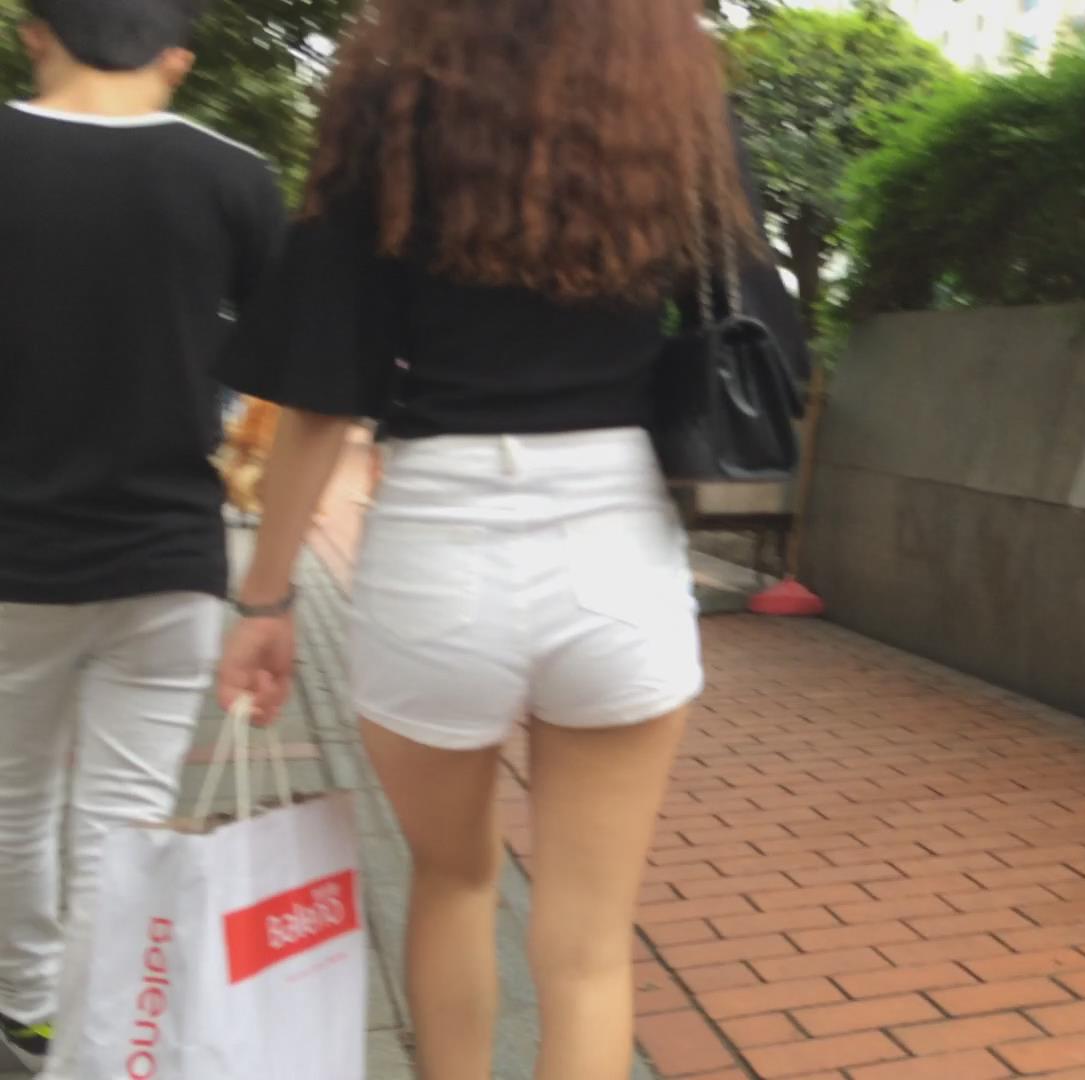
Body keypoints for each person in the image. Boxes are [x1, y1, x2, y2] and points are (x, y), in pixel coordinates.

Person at [214, 0, 804, 1076]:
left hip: (436, 546)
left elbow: (322, 390)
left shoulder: (391, 88)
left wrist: (266, 598)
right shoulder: (674, 86)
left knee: (452, 883)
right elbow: (764, 321)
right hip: (616, 542)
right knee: (587, 951)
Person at [0, 0, 285, 1071]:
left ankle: (26, 1008)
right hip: (170, 558)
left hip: (9, 559)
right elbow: (282, 369)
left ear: (35, 30)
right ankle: (100, 1046)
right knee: (123, 825)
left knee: (10, 806)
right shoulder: (234, 177)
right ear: (178, 55)